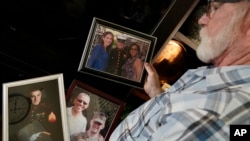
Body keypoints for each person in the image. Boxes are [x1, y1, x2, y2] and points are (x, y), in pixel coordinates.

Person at [110, 0, 250, 140]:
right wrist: (157, 94)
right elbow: (184, 113)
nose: (201, 20)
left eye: (215, 8)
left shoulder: (219, 115)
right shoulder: (220, 77)